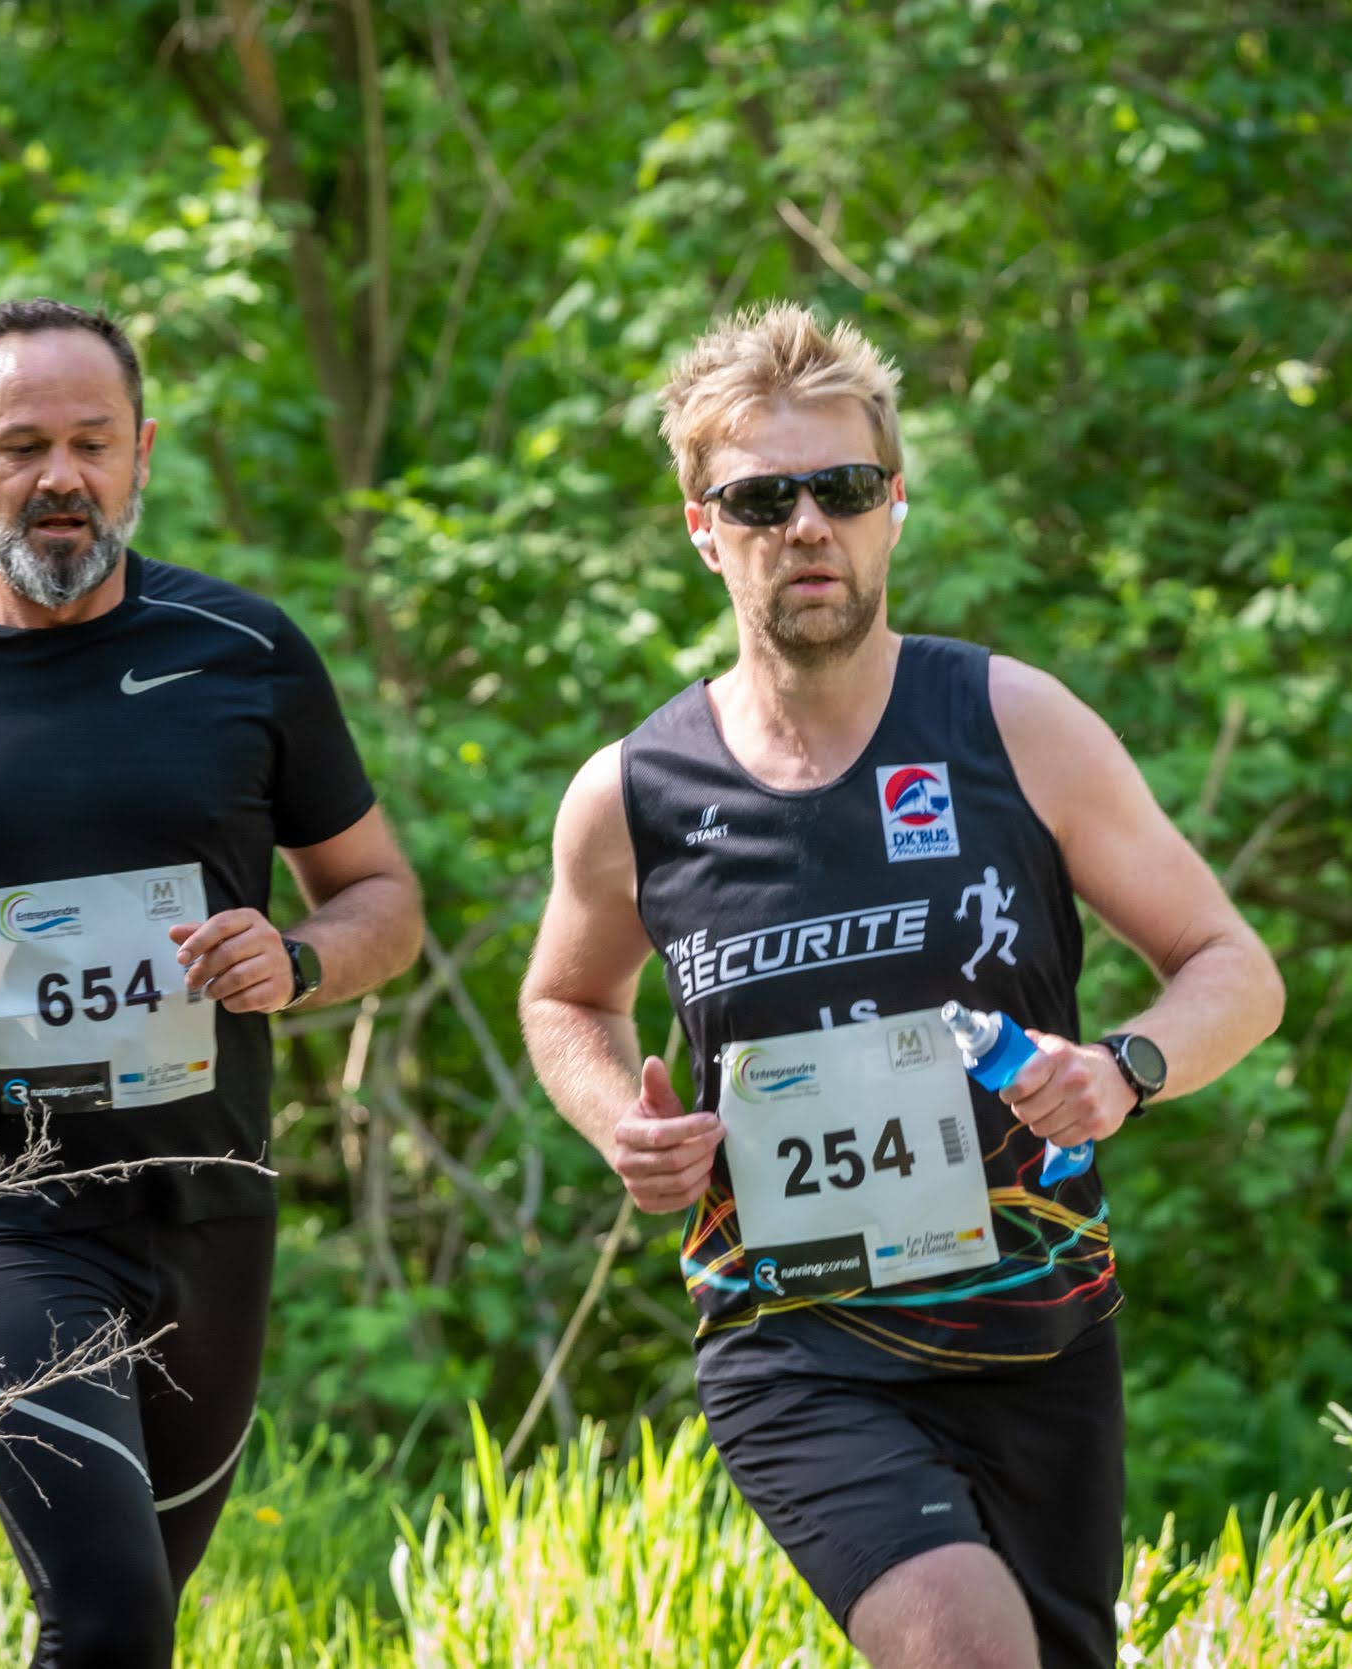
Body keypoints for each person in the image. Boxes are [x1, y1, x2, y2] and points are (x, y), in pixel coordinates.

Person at [517, 303, 1284, 1669]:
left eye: (844, 489)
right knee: (965, 1649)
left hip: (1037, 1323)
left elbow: (1234, 967)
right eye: (762, 498)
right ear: (703, 528)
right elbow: (566, 998)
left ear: (895, 506)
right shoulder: (633, 792)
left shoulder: (1012, 723)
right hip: (794, 1337)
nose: (807, 525)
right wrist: (620, 1121)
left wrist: (1124, 1069)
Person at [0, 297, 424, 1668]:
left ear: (141, 452)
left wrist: (295, 960)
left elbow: (383, 897)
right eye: (22, 445)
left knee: (138, 1614)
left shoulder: (245, 653)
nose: (61, 477)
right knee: (106, 1611)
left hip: (206, 1201)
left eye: (92, 443)